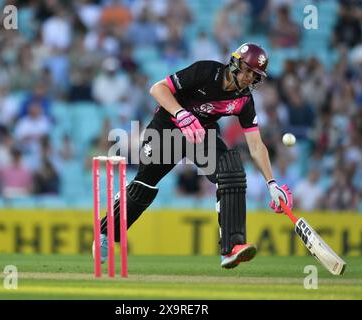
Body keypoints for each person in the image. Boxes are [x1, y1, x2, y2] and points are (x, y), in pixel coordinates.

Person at [93, 43, 293, 269]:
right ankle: (105, 233)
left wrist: (271, 182)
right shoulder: (206, 72)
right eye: (246, 71)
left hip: (200, 134)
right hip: (167, 128)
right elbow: (157, 89)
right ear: (235, 63)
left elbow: (256, 145)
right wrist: (181, 113)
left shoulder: (244, 100)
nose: (248, 78)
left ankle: (231, 247)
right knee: (144, 187)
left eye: (254, 75)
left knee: (231, 171)